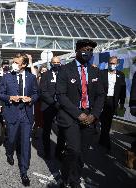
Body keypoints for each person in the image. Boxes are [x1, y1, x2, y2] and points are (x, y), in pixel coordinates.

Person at [56, 39, 105, 187]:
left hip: (89, 117)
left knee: (82, 153)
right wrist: (78, 114)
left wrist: (94, 115)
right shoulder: (65, 70)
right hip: (71, 116)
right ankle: (65, 177)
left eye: (91, 50)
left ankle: (75, 179)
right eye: (85, 49)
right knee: (73, 150)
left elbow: (100, 95)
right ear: (77, 51)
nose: (88, 52)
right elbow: (61, 95)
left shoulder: (95, 71)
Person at [0, 52, 39, 186]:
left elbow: (36, 93)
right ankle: (9, 153)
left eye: (17, 62)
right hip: (12, 113)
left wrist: (31, 99)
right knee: (11, 139)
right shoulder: (6, 77)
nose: (14, 64)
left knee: (25, 143)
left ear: (24, 64)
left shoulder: (31, 77)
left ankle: (24, 171)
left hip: (26, 114)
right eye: (13, 62)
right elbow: (1, 94)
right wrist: (10, 98)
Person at [40, 56, 65, 160]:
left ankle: (59, 152)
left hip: (62, 107)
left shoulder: (64, 74)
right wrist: (54, 103)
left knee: (62, 130)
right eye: (54, 62)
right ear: (51, 63)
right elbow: (43, 92)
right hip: (49, 106)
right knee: (46, 130)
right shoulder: (45, 75)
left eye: (58, 62)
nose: (56, 64)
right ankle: (47, 151)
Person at [99, 56, 126, 151]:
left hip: (113, 101)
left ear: (117, 64)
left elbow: (123, 90)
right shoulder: (102, 73)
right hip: (102, 100)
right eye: (110, 63)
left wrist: (122, 102)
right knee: (103, 120)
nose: (112, 65)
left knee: (108, 121)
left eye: (114, 63)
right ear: (108, 63)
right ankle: (105, 140)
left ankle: (104, 139)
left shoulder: (121, 75)